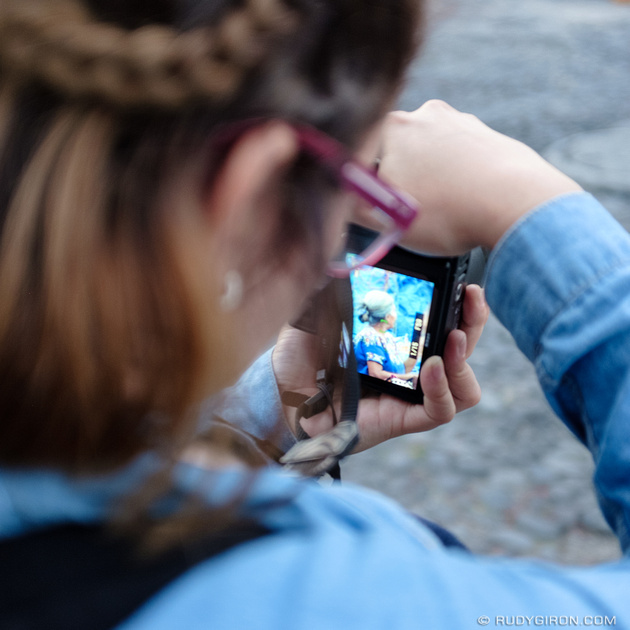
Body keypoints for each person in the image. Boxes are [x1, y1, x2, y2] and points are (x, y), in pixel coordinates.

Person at [0, 3, 628, 630]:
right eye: (354, 185)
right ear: (248, 198)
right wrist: (525, 203)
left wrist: (266, 417)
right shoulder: (319, 602)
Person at [354, 290, 418, 386]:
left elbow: (401, 371)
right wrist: (410, 378)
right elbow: (375, 374)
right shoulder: (371, 338)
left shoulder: (387, 337)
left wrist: (417, 340)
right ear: (387, 317)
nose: (396, 316)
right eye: (394, 310)